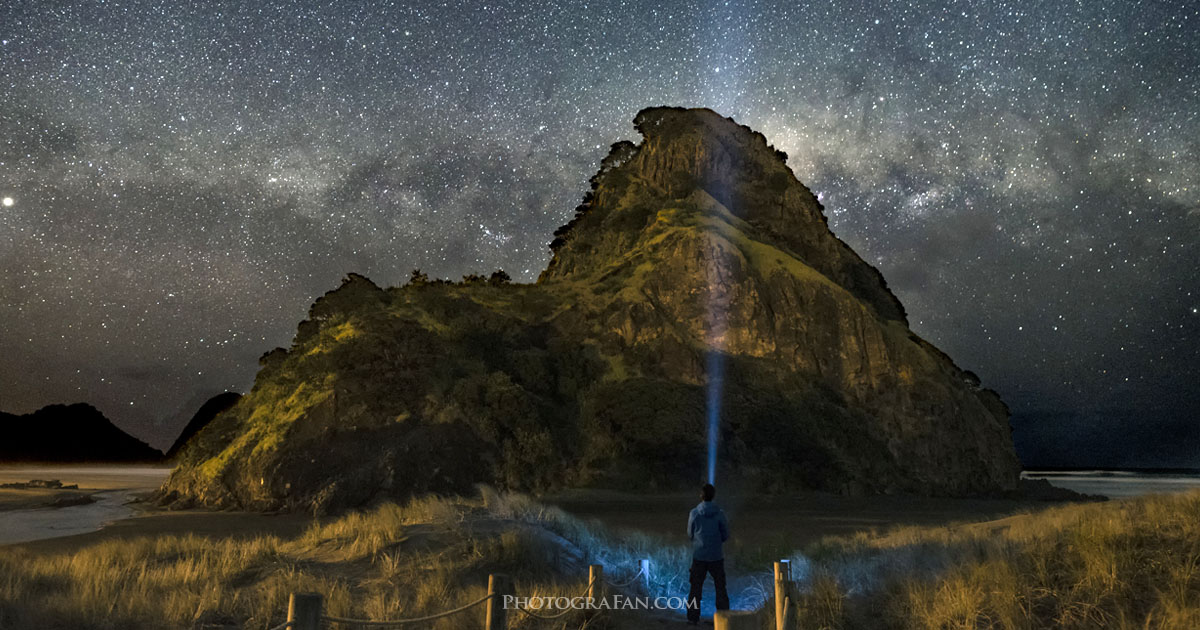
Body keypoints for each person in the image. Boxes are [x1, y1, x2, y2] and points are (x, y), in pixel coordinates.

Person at [686, 483, 730, 625]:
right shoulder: (720, 514)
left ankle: (693, 618)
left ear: (701, 496)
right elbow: (725, 534)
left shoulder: (694, 513)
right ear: (713, 496)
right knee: (720, 587)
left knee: (695, 588)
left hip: (699, 555)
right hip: (716, 556)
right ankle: (724, 617)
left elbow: (690, 534)